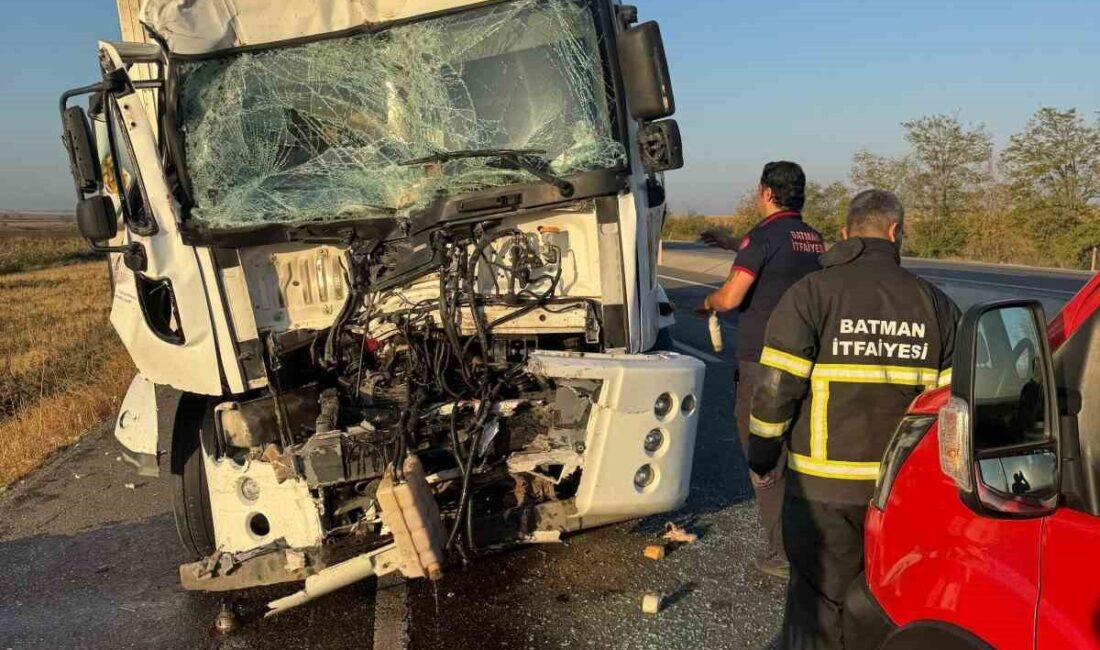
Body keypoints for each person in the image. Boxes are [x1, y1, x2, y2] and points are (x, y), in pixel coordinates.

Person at [747, 189, 960, 650]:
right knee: (887, 608)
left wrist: (762, 453)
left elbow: (775, 389)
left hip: (822, 491)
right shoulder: (937, 305)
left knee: (817, 606)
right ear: (895, 232)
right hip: (901, 497)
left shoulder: (811, 294)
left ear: (845, 235)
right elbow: (952, 410)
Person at [697, 161, 826, 578]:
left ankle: (782, 553)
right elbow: (777, 258)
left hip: (761, 365)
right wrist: (732, 242)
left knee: (762, 456)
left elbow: (732, 298)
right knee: (798, 450)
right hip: (806, 359)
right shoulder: (812, 239)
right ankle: (812, 538)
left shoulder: (763, 235)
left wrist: (709, 304)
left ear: (766, 192)